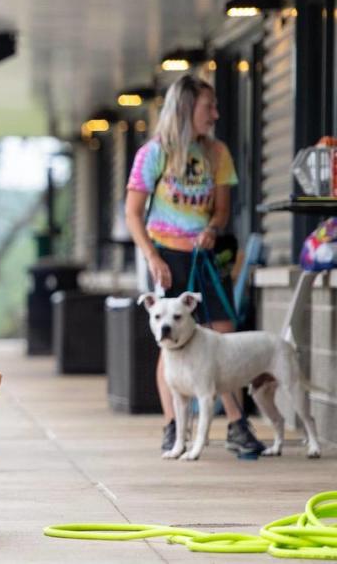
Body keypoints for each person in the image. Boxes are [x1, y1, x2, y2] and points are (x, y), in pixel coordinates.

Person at [124, 74, 265, 456]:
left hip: (204, 255)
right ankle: (174, 427)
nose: (216, 114)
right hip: (166, 256)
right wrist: (152, 257)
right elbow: (133, 213)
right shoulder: (154, 153)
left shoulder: (218, 153)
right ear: (186, 109)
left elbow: (221, 210)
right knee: (170, 343)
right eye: (209, 107)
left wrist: (213, 229)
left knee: (224, 333)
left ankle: (235, 422)